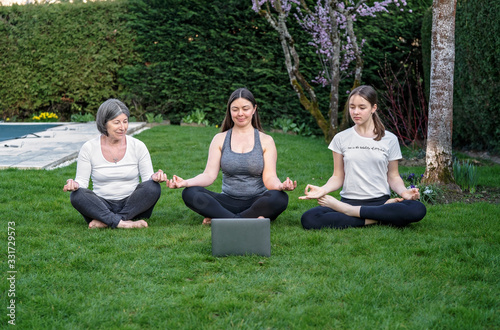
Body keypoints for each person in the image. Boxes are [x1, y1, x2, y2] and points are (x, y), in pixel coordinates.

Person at [299, 85, 426, 229]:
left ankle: (351, 213)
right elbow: (338, 176)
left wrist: (404, 192)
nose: (355, 112)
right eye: (352, 107)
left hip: (379, 202)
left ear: (373, 108)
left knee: (417, 208)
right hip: (349, 201)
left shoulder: (389, 139)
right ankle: (377, 218)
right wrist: (323, 190)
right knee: (309, 218)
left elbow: (393, 176)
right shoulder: (341, 138)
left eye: (362, 107)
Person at [167, 87, 297, 225]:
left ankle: (223, 219)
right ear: (230, 110)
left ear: (254, 109)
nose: (240, 113)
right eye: (235, 109)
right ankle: (248, 220)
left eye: (245, 108)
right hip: (227, 202)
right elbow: (209, 175)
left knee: (279, 198)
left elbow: (269, 177)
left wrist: (280, 186)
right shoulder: (220, 139)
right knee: (189, 193)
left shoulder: (266, 141)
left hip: (257, 202)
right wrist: (185, 182)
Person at [63, 99, 167, 229]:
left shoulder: (138, 146)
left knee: (153, 187)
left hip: (132, 205)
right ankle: (125, 223)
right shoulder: (89, 148)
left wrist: (155, 177)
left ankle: (107, 221)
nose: (122, 127)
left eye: (125, 121)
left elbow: (147, 179)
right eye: (116, 122)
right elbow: (82, 183)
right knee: (77, 195)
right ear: (104, 123)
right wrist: (74, 185)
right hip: (101, 204)